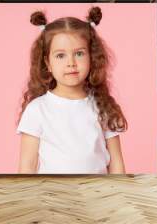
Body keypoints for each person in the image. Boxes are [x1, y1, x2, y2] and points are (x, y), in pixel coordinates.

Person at [16, 6, 128, 174]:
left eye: (79, 54)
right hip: (52, 196)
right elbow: (27, 166)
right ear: (48, 63)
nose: (71, 63)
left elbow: (117, 162)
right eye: (60, 55)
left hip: (98, 195)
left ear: (92, 57)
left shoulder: (103, 106)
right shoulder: (37, 109)